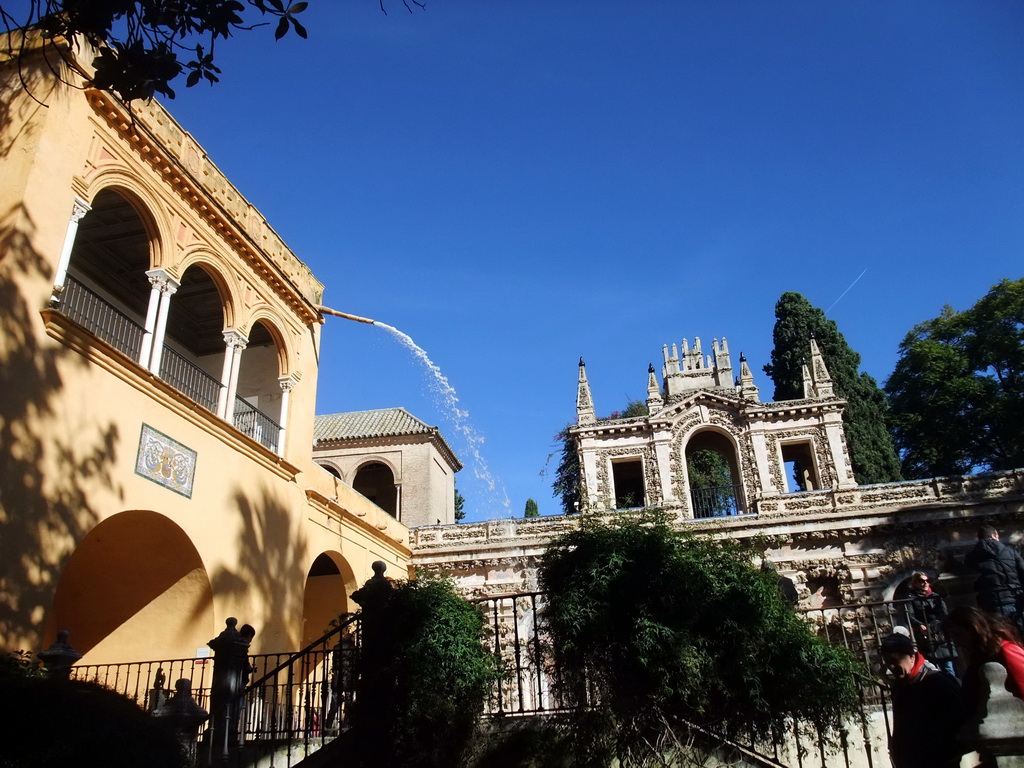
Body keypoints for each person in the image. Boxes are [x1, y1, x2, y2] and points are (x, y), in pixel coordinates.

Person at [879, 632, 967, 768]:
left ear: (912, 657)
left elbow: (957, 723)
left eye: (895, 661)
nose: (891, 667)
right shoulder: (900, 687)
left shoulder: (938, 683)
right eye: (888, 663)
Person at [942, 605, 1024, 714]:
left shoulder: (1005, 651)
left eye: (958, 635)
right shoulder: (979, 656)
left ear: (972, 628)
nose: (958, 643)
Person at [964, 525, 1024, 629]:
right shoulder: (1010, 551)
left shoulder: (972, 556)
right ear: (995, 535)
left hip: (990, 602)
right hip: (1014, 598)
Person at [905, 571, 957, 675]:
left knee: (948, 667)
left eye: (927, 580)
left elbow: (944, 614)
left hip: (940, 634)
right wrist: (919, 625)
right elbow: (909, 616)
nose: (925, 583)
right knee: (935, 668)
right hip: (926, 636)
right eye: (921, 581)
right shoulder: (912, 598)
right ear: (915, 583)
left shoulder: (935, 596)